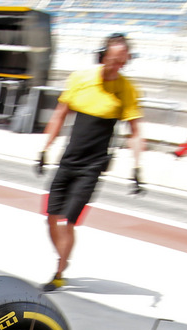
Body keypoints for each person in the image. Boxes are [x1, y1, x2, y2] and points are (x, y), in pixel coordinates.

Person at [36, 33, 145, 292]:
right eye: (114, 60)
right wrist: (44, 148)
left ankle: (59, 272)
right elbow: (60, 115)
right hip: (68, 160)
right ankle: (63, 257)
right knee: (50, 219)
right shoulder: (80, 79)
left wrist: (137, 168)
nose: (117, 66)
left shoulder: (127, 89)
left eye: (123, 62)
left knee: (69, 222)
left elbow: (136, 131)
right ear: (103, 55)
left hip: (92, 166)